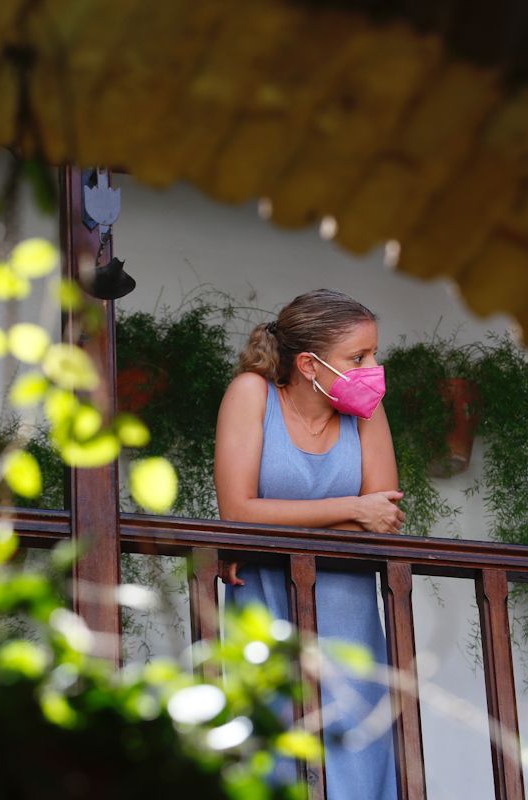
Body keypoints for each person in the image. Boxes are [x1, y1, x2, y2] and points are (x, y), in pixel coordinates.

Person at [214, 289, 402, 800]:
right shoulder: (252, 394)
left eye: (373, 354)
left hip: (349, 619)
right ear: (309, 365)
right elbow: (237, 512)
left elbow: (382, 519)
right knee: (274, 757)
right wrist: (351, 509)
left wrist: (266, 532)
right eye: (358, 358)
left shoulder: (366, 412)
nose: (373, 368)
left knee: (359, 760)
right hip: (267, 608)